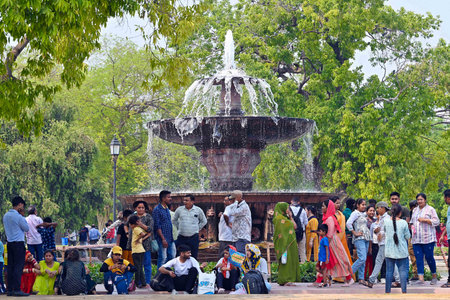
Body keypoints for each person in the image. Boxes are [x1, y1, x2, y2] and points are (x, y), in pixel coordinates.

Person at [317, 200, 353, 286]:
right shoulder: (328, 217)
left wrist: (326, 244)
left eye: (323, 206)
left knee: (339, 260)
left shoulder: (329, 218)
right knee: (333, 261)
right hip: (330, 242)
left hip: (332, 242)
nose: (322, 208)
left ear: (328, 207)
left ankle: (348, 278)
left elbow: (330, 233)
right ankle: (321, 280)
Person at [365, 201, 400, 288]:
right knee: (390, 261)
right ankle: (399, 280)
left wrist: (381, 234)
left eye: (378, 208)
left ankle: (371, 280)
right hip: (384, 243)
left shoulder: (386, 218)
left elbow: (389, 230)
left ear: (382, 208)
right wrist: (377, 232)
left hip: (385, 243)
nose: (377, 210)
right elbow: (380, 229)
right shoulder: (382, 218)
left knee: (379, 261)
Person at [3, 195, 30, 296]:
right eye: (22, 206)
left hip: (9, 243)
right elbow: (27, 228)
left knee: (10, 266)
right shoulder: (18, 217)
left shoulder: (6, 215)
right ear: (20, 205)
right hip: (18, 244)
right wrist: (22, 216)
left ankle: (10, 289)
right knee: (18, 267)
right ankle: (17, 289)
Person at [410, 193, 439, 285]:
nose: (419, 201)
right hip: (416, 239)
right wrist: (412, 228)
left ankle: (434, 276)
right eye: (418, 200)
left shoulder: (430, 209)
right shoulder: (415, 210)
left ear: (425, 200)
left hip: (428, 238)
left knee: (429, 257)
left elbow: (437, 221)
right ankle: (421, 279)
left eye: (421, 199)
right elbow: (411, 222)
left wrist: (426, 220)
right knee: (418, 258)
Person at [126, 200, 154, 288]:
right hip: (134, 244)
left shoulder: (149, 217)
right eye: (139, 207)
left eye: (143, 208)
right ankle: (137, 282)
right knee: (136, 264)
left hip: (145, 244)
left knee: (147, 264)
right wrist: (127, 233)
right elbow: (125, 225)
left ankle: (147, 282)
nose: (141, 209)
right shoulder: (132, 216)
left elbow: (150, 230)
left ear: (145, 208)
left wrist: (140, 224)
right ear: (135, 208)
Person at [384, 204, 410, 294]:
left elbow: (385, 232)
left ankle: (387, 291)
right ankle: (404, 291)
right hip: (401, 250)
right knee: (402, 271)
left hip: (389, 250)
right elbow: (407, 236)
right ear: (400, 213)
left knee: (389, 271)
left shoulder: (386, 221)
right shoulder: (403, 223)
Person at [272, 202, 301, 285]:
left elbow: (295, 226)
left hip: (290, 243)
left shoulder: (285, 218)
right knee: (285, 261)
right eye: (287, 208)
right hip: (284, 244)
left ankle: (290, 279)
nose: (288, 210)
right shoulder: (279, 218)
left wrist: (291, 217)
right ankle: (285, 279)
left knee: (291, 261)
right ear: (282, 208)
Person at [173, 194, 207, 259]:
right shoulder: (179, 209)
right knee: (179, 255)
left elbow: (204, 221)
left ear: (192, 201)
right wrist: (179, 227)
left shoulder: (198, 210)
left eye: (187, 200)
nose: (185, 202)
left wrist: (197, 228)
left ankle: (192, 269)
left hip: (193, 237)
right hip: (181, 237)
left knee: (193, 255)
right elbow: (174, 220)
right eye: (184, 200)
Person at [346, 198, 371, 284]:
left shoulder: (364, 214)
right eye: (362, 205)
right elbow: (348, 223)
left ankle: (361, 278)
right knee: (362, 258)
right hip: (359, 238)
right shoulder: (355, 213)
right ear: (357, 205)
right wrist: (354, 232)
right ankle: (348, 274)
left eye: (365, 205)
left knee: (363, 259)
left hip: (366, 237)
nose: (364, 206)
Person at [330, 196, 354, 280]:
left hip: (342, 239)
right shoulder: (330, 214)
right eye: (336, 203)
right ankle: (336, 277)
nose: (338, 204)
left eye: (339, 203)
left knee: (344, 258)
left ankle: (346, 276)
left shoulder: (341, 214)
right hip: (334, 240)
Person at [153, 190, 175, 268]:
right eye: (168, 197)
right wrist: (163, 239)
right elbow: (157, 226)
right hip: (162, 239)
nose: (170, 198)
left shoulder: (166, 209)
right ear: (163, 198)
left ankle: (167, 274)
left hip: (170, 238)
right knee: (162, 258)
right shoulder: (157, 210)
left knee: (172, 256)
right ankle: (159, 277)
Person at [129, 215, 150, 289]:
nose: (130, 226)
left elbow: (143, 234)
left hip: (136, 251)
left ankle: (138, 283)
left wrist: (138, 239)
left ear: (133, 224)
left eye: (130, 224)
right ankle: (143, 283)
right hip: (141, 250)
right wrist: (140, 239)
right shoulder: (139, 228)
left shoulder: (136, 229)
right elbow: (148, 233)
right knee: (140, 267)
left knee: (137, 268)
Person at [289, 197, 308, 263]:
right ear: (299, 202)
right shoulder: (302, 210)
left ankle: (292, 265)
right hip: (301, 233)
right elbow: (306, 223)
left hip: (291, 233)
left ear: (291, 201)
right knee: (302, 251)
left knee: (291, 250)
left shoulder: (288, 210)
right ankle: (304, 266)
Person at [439, 189, 450, 288]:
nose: (444, 199)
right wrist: (443, 235)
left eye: (445, 197)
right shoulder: (449, 208)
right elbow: (448, 224)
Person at [365, 205, 376, 279]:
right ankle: (363, 276)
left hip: (374, 242)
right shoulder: (365, 221)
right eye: (370, 210)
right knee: (365, 260)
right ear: (367, 212)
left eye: (373, 211)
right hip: (366, 241)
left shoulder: (375, 221)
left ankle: (371, 277)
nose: (372, 212)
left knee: (372, 260)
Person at [408, 199, 419, 281]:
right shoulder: (410, 214)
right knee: (412, 254)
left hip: (419, 237)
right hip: (411, 237)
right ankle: (415, 273)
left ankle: (420, 273)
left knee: (418, 255)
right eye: (414, 207)